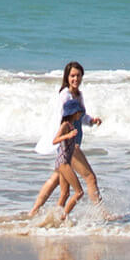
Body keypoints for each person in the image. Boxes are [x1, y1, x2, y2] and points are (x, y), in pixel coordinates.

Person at [54, 60, 105, 208]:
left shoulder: (78, 95)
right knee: (90, 178)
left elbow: (80, 116)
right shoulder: (65, 95)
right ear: (67, 77)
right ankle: (101, 213)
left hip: (71, 146)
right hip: (70, 147)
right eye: (72, 76)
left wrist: (91, 120)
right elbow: (61, 119)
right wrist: (67, 141)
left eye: (78, 75)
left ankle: (51, 216)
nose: (76, 79)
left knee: (64, 191)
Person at [25, 103, 86, 221]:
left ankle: (55, 219)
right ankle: (63, 217)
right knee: (79, 192)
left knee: (65, 193)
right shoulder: (65, 125)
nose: (80, 115)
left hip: (64, 161)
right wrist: (68, 135)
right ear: (73, 113)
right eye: (79, 112)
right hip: (63, 162)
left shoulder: (71, 125)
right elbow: (55, 140)